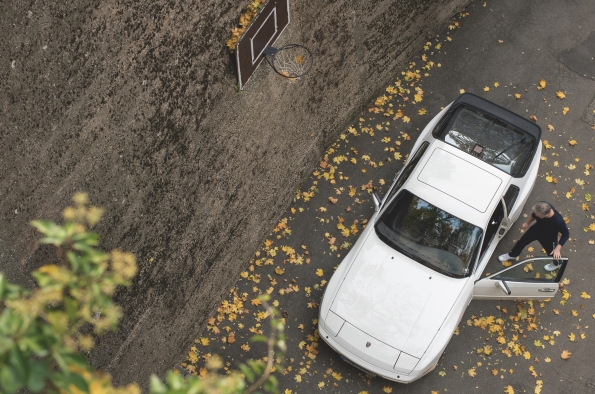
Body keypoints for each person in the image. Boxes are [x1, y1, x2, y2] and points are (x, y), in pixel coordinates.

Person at [498, 201, 569, 271]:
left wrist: (557, 248)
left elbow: (566, 234)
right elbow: (534, 215)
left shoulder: (558, 222)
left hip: (548, 238)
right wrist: (527, 223)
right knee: (521, 242)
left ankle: (558, 263)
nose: (536, 215)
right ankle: (513, 255)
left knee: (553, 254)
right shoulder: (542, 206)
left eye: (538, 215)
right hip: (535, 230)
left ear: (545, 215)